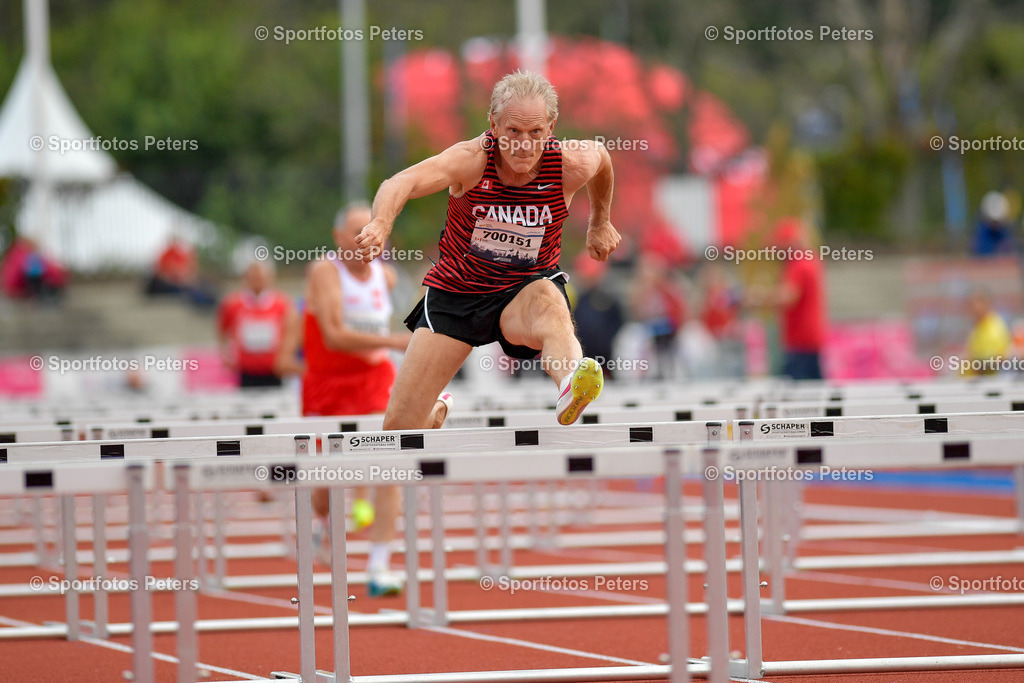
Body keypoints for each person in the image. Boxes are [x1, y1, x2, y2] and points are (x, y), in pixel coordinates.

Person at [354, 71, 620, 433]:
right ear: (493, 125)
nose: (524, 144)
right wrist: (380, 225)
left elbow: (602, 158)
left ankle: (571, 382)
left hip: (523, 290)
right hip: (457, 294)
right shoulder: (471, 160)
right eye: (513, 131)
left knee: (551, 304)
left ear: (551, 127)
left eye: (535, 132)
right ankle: (435, 412)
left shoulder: (569, 163)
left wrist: (600, 222)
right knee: (400, 428)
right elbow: (400, 182)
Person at [302, 203, 452, 596]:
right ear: (338, 238)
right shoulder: (324, 271)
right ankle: (323, 522)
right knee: (325, 478)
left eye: (369, 231)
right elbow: (334, 335)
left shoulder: (386, 275)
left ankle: (379, 565)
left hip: (375, 380)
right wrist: (393, 341)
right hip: (329, 385)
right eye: (354, 232)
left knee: (391, 463)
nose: (363, 239)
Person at [747, 218, 826, 380]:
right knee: (814, 387)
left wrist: (758, 299)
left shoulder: (799, 264)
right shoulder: (809, 260)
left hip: (800, 342)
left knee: (797, 389)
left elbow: (788, 296)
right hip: (807, 340)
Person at [217, 261, 293, 388]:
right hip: (245, 370)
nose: (257, 281)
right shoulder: (232, 304)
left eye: (261, 278)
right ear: (245, 278)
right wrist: (226, 355)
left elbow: (291, 332)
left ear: (270, 278)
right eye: (253, 277)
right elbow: (222, 331)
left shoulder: (282, 304)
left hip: (273, 370)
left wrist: (285, 356)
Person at [964, 287, 1011, 376]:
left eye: (975, 304)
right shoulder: (977, 327)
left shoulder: (995, 327)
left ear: (986, 303)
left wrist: (978, 365)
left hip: (989, 381)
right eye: (970, 304)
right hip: (974, 380)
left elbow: (1002, 358)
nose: (972, 308)